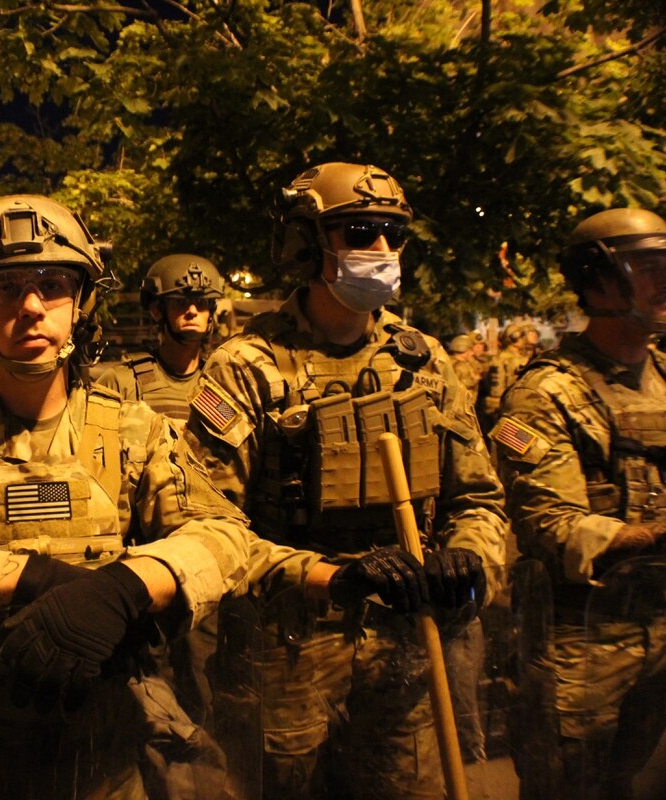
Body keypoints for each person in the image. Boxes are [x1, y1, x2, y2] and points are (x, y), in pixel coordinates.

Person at [0, 194, 335, 800]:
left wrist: (127, 589)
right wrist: (25, 580)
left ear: (82, 301)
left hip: (107, 762)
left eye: (53, 284)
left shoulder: (133, 429)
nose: (31, 307)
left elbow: (222, 535)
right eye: (4, 288)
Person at [184, 162, 507, 799]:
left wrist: (470, 560)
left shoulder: (424, 361)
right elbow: (207, 528)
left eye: (394, 235)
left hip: (410, 649)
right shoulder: (245, 366)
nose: (383, 251)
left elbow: (479, 497)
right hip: (286, 655)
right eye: (360, 232)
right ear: (307, 244)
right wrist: (329, 576)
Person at [491, 207, 666, 800]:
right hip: (580, 647)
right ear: (597, 281)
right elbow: (554, 527)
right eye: (649, 267)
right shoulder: (547, 392)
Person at [97, 254, 225, 422]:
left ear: (210, 314)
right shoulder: (121, 382)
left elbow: (236, 443)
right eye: (181, 302)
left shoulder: (221, 385)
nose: (192, 311)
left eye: (201, 303)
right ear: (157, 311)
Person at [479, 319, 539, 431]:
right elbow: (497, 390)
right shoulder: (510, 359)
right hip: (506, 407)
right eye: (522, 336)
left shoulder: (504, 357)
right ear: (515, 338)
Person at [448, 333, 482, 399]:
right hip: (462, 403)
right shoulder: (462, 367)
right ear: (464, 349)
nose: (472, 353)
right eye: (470, 350)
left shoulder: (449, 361)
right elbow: (463, 385)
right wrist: (475, 379)